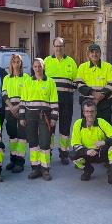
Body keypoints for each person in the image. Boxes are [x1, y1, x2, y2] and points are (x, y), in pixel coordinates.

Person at [20, 58, 58, 181]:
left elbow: (54, 102)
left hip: (45, 116)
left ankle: (45, 169)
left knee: (45, 142)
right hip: (30, 115)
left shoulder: (50, 82)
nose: (37, 68)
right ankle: (35, 168)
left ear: (43, 67)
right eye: (35, 66)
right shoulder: (27, 82)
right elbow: (23, 101)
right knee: (33, 142)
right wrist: (21, 117)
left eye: (40, 66)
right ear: (33, 68)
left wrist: (54, 118)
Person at [44, 37, 78, 165]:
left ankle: (64, 153)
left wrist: (68, 92)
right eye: (56, 46)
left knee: (65, 129)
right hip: (50, 103)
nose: (58, 48)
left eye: (61, 46)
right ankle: (49, 152)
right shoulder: (46, 61)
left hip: (66, 102)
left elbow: (76, 82)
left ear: (64, 47)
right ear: (53, 47)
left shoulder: (71, 62)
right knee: (50, 128)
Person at [69, 100, 112, 181]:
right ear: (83, 113)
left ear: (96, 112)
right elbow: (75, 144)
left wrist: (104, 142)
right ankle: (88, 169)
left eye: (92, 111)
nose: (90, 114)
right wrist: (86, 151)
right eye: (87, 111)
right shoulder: (78, 123)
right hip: (87, 153)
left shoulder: (101, 122)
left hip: (100, 152)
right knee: (72, 155)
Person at [2, 53, 30, 173]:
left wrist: (17, 107)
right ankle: (13, 160)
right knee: (12, 136)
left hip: (23, 110)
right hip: (9, 110)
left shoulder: (27, 78)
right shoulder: (7, 78)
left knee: (22, 136)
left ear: (21, 63)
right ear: (11, 64)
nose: (16, 63)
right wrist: (11, 107)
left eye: (18, 61)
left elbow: (28, 96)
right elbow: (4, 94)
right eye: (13, 61)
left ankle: (20, 162)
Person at [75, 44, 112, 124]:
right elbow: (79, 85)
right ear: (88, 54)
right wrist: (94, 93)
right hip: (87, 105)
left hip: (104, 105)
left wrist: (99, 97)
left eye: (97, 52)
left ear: (100, 53)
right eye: (92, 52)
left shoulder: (108, 67)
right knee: (87, 129)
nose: (94, 54)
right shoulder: (82, 67)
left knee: (105, 129)